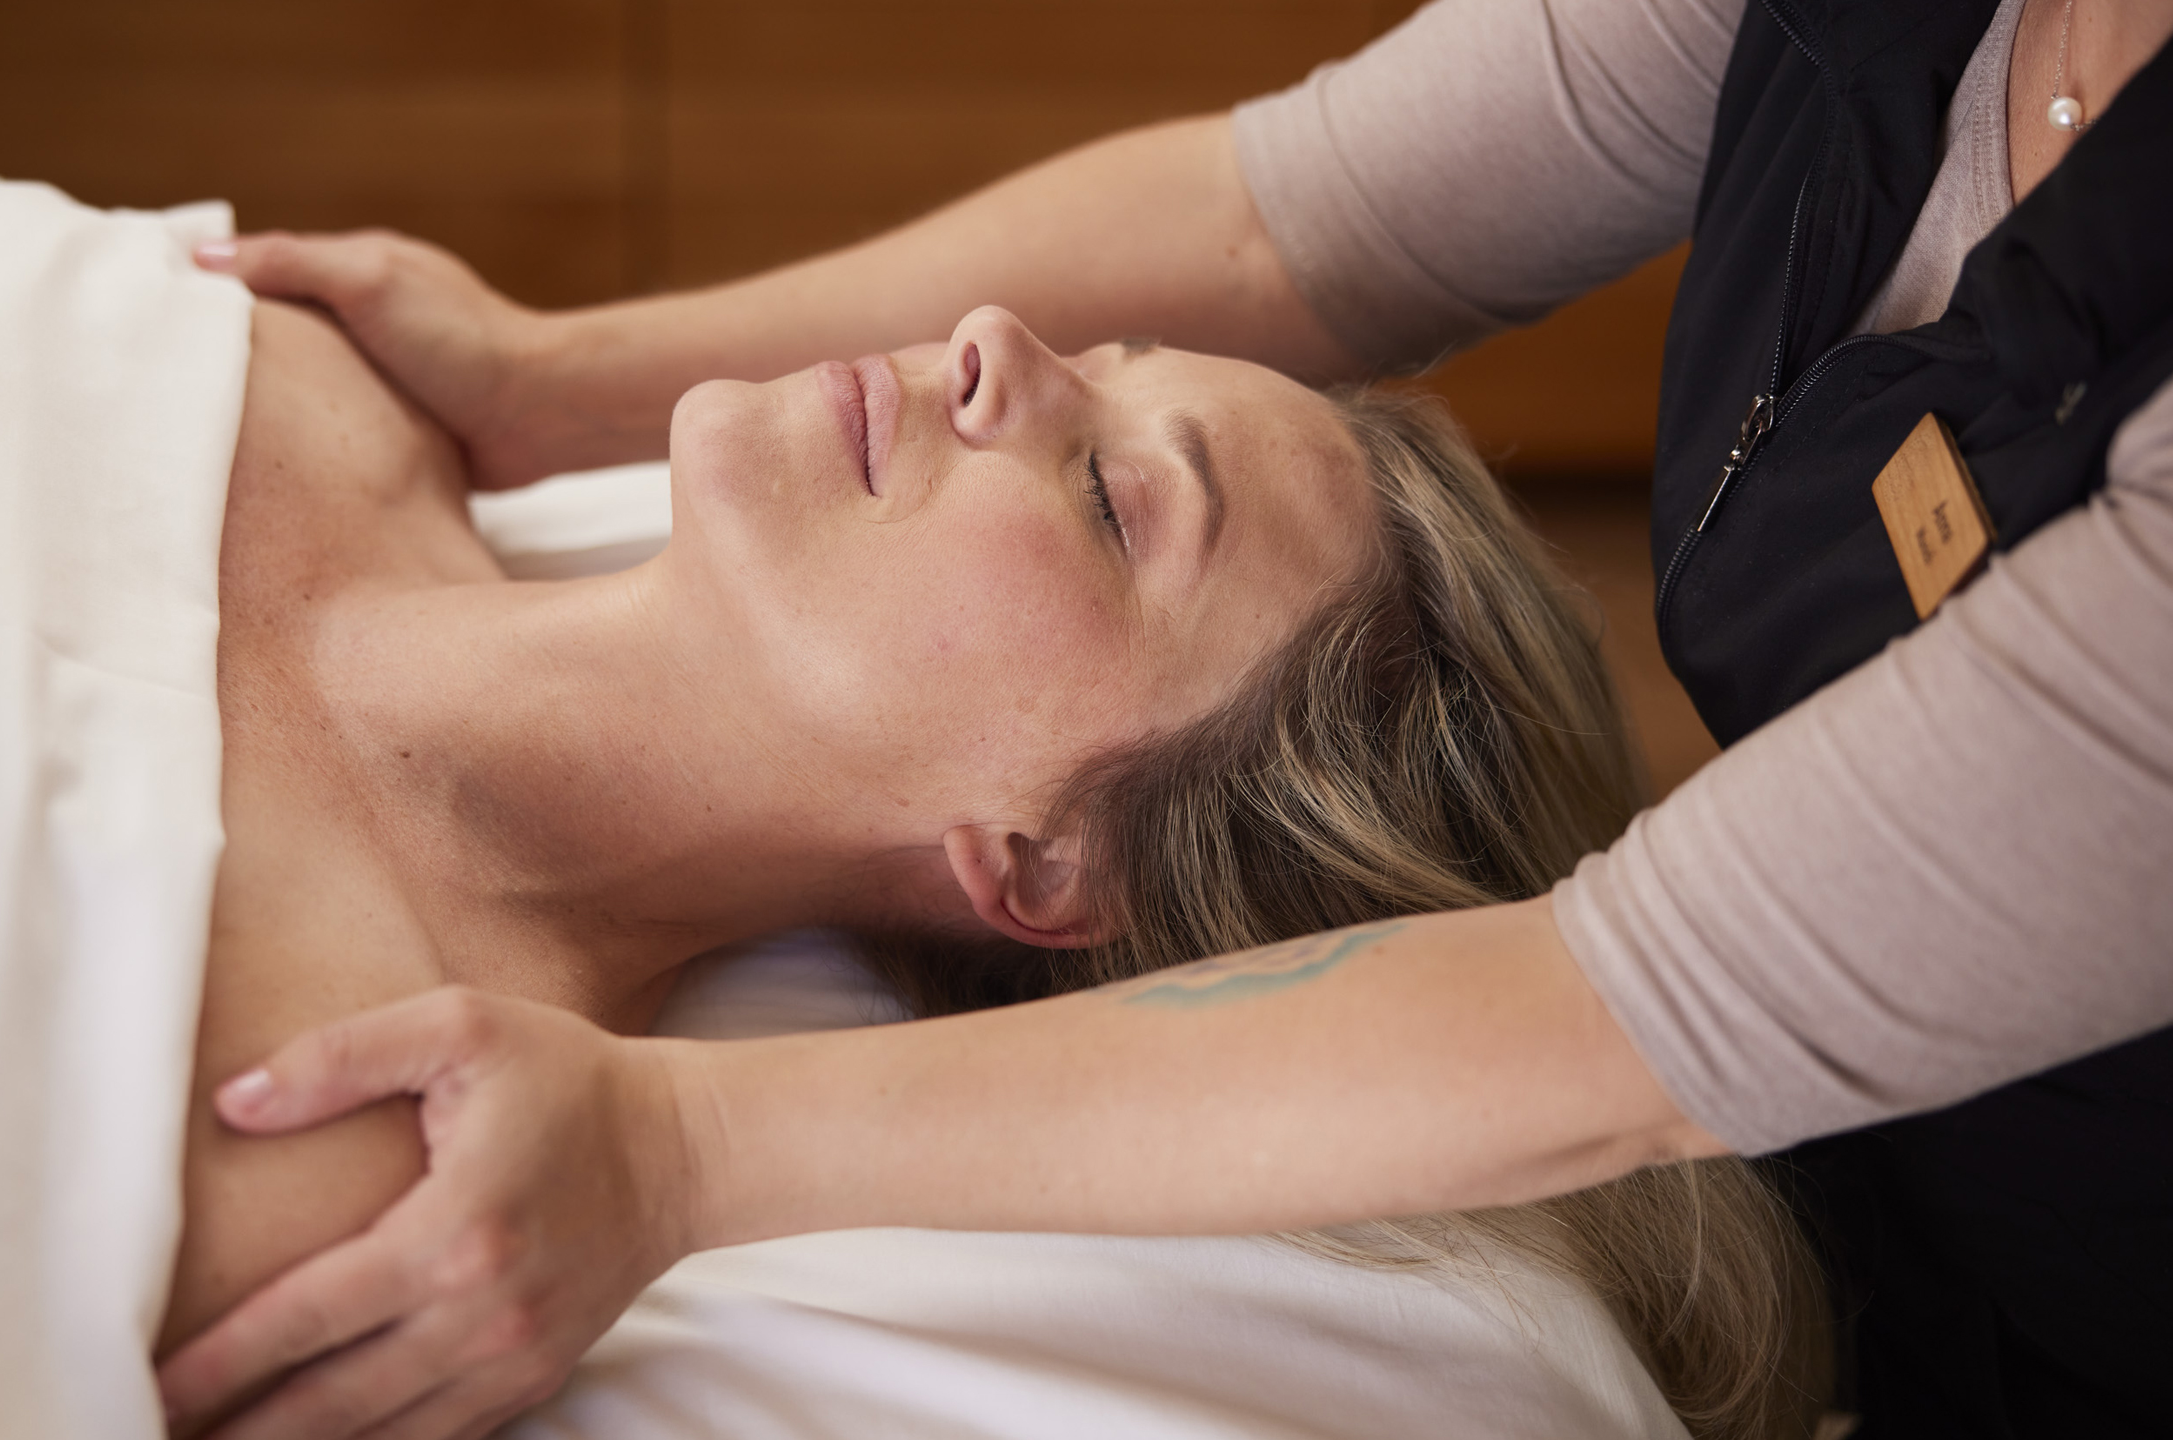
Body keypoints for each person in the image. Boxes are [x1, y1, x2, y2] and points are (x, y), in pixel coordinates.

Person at [160, 0, 2173, 1436]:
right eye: (1115, 385)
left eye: (1121, 493)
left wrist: (670, 1157)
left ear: (1039, 869)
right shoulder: (260, 391)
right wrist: (545, 380)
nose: (986, 352)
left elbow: (1639, 1017)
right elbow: (1279, 225)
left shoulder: (307, 1149)